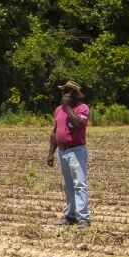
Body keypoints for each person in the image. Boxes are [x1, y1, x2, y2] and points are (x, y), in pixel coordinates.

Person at [45, 81, 90, 226]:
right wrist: (51, 152)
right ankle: (70, 216)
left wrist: (68, 107)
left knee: (79, 184)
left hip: (76, 150)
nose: (67, 94)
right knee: (67, 185)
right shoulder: (58, 110)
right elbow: (54, 132)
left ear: (77, 95)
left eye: (71, 92)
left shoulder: (82, 108)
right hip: (62, 152)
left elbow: (77, 123)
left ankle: (83, 218)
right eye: (65, 91)